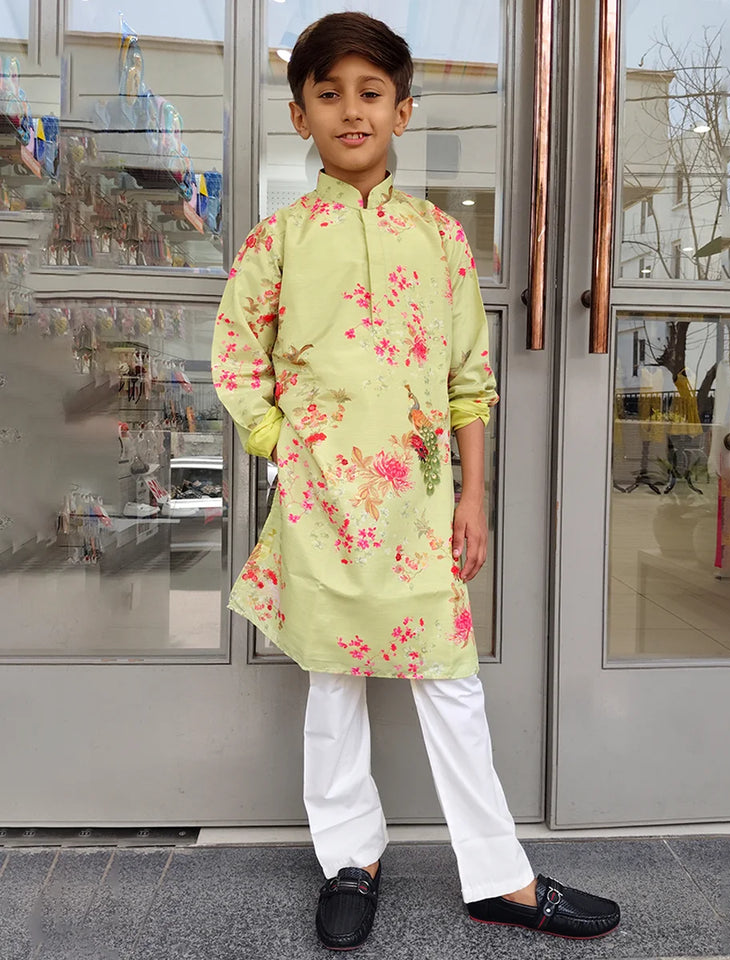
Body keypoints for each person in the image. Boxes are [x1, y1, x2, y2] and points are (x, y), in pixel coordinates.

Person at [212, 11, 620, 951]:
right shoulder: (277, 241)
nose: (351, 111)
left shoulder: (440, 241)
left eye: (370, 93)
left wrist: (475, 496)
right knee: (334, 684)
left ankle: (499, 875)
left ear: (403, 110)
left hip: (422, 504)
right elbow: (236, 360)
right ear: (299, 112)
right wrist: (288, 447)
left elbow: (470, 382)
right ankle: (349, 858)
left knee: (450, 685)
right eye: (330, 94)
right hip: (320, 506)